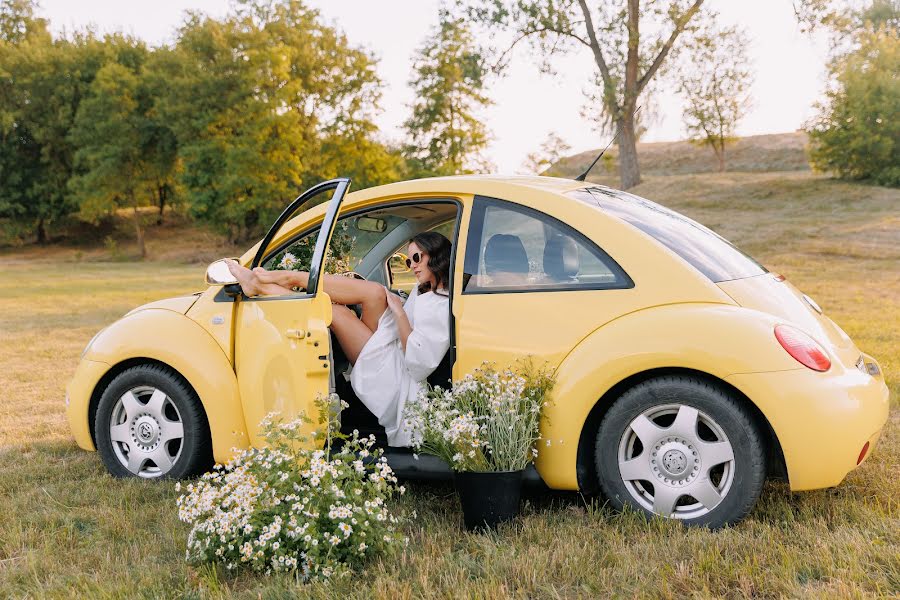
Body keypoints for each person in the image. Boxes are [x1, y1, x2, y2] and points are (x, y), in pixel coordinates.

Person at [225, 231, 452, 446]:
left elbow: (418, 364)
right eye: (408, 261)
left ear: (437, 255)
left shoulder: (442, 305)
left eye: (416, 258)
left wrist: (399, 313)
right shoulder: (425, 289)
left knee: (337, 313)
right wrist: (396, 305)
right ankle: (289, 278)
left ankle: (263, 284)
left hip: (398, 377)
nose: (412, 266)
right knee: (375, 292)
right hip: (392, 349)